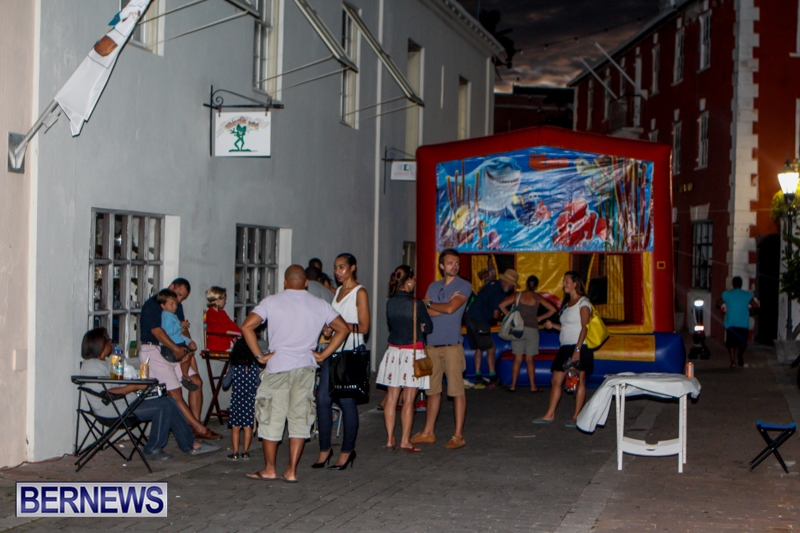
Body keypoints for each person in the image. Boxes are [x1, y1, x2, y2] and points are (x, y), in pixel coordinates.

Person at [242, 265, 349, 482]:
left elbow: (247, 326)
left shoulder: (271, 302)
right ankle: (291, 470)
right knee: (300, 419)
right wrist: (323, 354)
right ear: (306, 283)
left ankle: (270, 468)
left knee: (271, 418)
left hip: (278, 367)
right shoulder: (319, 304)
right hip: (305, 368)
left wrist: (259, 355)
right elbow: (343, 328)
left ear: (285, 282)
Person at [79, 328, 220, 461]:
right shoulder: (92, 367)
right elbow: (107, 394)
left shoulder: (104, 362)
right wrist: (134, 386)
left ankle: (190, 444)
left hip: (125, 404)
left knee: (168, 401)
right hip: (114, 410)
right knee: (165, 405)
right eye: (108, 340)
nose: (111, 342)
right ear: (100, 344)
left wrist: (135, 382)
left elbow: (116, 385)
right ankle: (154, 448)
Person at [139, 278, 221, 440]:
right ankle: (199, 428)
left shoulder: (177, 306)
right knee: (175, 391)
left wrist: (187, 345)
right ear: (171, 287)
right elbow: (157, 331)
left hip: (173, 350)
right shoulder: (153, 305)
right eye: (178, 294)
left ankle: (194, 426)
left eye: (182, 298)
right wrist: (177, 349)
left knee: (196, 382)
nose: (179, 300)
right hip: (154, 350)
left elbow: (181, 330)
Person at [411, 249, 472, 450]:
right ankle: (428, 432)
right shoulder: (433, 285)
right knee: (432, 391)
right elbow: (425, 312)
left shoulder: (464, 285)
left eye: (457, 263)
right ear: (441, 266)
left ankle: (458, 435)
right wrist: (440, 305)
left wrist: (433, 304)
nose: (454, 266)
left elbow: (451, 309)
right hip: (432, 345)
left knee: (456, 391)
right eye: (450, 263)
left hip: (452, 346)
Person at [315, 253, 370, 470]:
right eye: (336, 268)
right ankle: (325, 448)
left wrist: (341, 326)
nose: (338, 272)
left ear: (352, 268)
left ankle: (347, 451)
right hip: (334, 351)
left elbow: (364, 327)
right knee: (322, 399)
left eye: (342, 267)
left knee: (347, 402)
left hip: (350, 353)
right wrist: (329, 328)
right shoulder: (337, 291)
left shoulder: (360, 292)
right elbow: (335, 321)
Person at [376, 265, 432, 452]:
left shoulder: (390, 303)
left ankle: (389, 439)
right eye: (413, 280)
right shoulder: (417, 303)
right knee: (409, 399)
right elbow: (429, 327)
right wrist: (421, 326)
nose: (414, 283)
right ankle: (405, 440)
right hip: (412, 353)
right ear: (408, 281)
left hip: (393, 352)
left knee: (392, 398)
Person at [534, 271, 594, 428]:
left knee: (577, 382)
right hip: (565, 347)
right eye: (564, 281)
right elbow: (567, 327)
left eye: (567, 281)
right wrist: (553, 325)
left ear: (575, 284)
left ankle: (577, 416)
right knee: (556, 380)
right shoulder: (567, 305)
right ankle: (550, 414)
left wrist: (578, 349)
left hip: (579, 346)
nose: (564, 284)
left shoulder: (583, 302)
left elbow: (584, 327)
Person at [498, 275, 558, 392]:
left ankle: (512, 386)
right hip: (532, 330)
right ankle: (533, 386)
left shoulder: (518, 295)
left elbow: (501, 305)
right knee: (530, 359)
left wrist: (510, 316)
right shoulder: (537, 297)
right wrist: (540, 318)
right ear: (536, 286)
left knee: (517, 359)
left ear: (526, 284)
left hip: (518, 329)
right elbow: (553, 309)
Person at [465, 269, 519, 388]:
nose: (511, 288)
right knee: (491, 348)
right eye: (511, 285)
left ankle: (478, 376)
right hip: (480, 319)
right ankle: (493, 377)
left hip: (470, 317)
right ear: (506, 282)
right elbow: (496, 314)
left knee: (479, 348)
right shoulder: (499, 292)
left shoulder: (492, 284)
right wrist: (507, 320)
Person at [225, 339, 262, 460]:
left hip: (236, 401)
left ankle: (235, 452)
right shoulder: (254, 368)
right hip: (249, 401)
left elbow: (225, 384)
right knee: (247, 427)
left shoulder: (234, 367)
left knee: (235, 427)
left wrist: (226, 376)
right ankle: (245, 451)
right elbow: (258, 383)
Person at [718, 276, 760, 368]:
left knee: (731, 343)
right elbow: (756, 306)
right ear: (741, 284)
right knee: (743, 342)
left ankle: (733, 361)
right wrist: (751, 313)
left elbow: (718, 304)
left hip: (730, 322)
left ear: (733, 284)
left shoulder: (727, 294)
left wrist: (723, 309)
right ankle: (740, 353)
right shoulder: (747, 295)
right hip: (743, 322)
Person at [158, 289, 196, 391]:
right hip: (170, 348)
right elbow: (168, 332)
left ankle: (185, 375)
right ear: (163, 305)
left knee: (189, 353)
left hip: (178, 343)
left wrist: (189, 341)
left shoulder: (173, 316)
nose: (175, 306)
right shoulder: (166, 315)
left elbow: (179, 335)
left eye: (175, 303)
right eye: (171, 304)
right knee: (187, 354)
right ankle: (185, 375)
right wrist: (179, 324)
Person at [205, 286, 241, 352]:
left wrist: (240, 332)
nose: (225, 302)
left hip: (226, 344)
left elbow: (232, 325)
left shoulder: (222, 313)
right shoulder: (210, 313)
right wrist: (235, 333)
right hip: (217, 345)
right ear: (217, 301)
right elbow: (217, 330)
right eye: (224, 300)